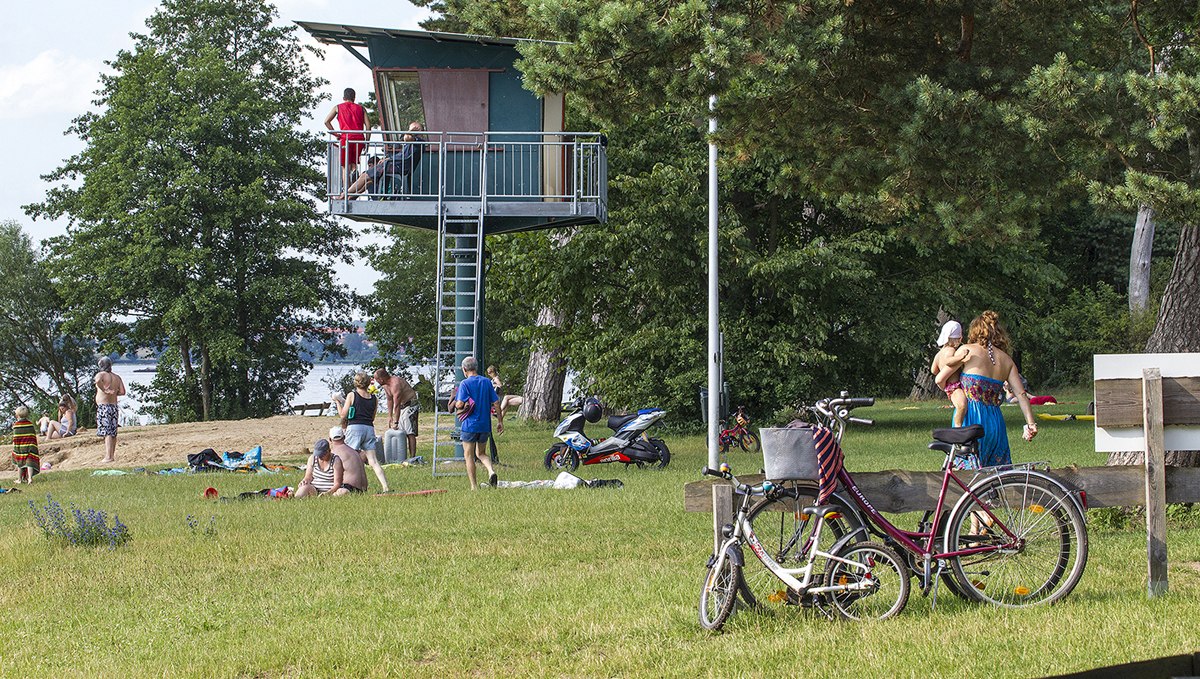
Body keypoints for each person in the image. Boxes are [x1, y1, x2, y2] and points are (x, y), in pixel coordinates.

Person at [950, 311, 1038, 467]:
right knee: (995, 477)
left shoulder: (966, 351)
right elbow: (1021, 394)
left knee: (965, 475)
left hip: (971, 418)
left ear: (975, 331)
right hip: (995, 422)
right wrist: (1031, 424)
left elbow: (945, 374)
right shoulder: (1007, 360)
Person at [451, 356, 503, 490]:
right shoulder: (487, 382)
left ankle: (474, 486)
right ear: (476, 368)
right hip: (485, 424)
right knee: (481, 453)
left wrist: (456, 403)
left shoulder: (464, 384)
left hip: (469, 425)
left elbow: (461, 403)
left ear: (464, 369)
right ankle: (491, 471)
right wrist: (500, 421)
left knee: (468, 455)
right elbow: (496, 402)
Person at [340, 121, 424, 198]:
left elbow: (407, 138)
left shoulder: (418, 141)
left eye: (411, 129)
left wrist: (388, 160)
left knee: (365, 175)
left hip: (396, 166)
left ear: (417, 130)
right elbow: (403, 153)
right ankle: (351, 197)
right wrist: (388, 158)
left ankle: (344, 194)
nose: (408, 130)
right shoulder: (415, 143)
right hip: (397, 165)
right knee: (370, 181)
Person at [338, 371, 389, 493]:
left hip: (355, 428)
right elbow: (372, 417)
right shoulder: (374, 398)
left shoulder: (352, 395)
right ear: (368, 383)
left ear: (356, 383)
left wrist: (337, 402)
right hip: (369, 429)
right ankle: (385, 487)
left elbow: (342, 415)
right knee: (373, 461)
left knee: (348, 458)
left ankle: (347, 484)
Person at [324, 87, 369, 193]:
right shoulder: (361, 108)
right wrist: (367, 141)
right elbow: (368, 126)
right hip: (359, 138)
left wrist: (336, 134)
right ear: (354, 97)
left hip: (345, 138)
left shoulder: (337, 108)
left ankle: (347, 191)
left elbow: (326, 121)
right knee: (354, 163)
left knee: (345, 166)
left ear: (344, 97)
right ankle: (355, 175)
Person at [931, 320, 969, 427]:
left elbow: (933, 370)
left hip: (948, 386)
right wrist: (961, 357)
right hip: (954, 386)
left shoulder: (938, 354)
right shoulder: (950, 351)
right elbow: (949, 361)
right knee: (962, 405)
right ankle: (958, 426)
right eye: (958, 339)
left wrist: (941, 368)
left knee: (960, 405)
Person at [374, 367, 418, 458]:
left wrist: (396, 422)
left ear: (381, 379)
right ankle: (401, 457)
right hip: (402, 406)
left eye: (376, 379)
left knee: (410, 432)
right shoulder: (385, 385)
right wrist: (390, 416)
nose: (376, 382)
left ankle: (413, 457)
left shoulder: (395, 384)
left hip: (410, 405)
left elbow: (396, 405)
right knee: (401, 432)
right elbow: (389, 400)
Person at [94, 356, 126, 463]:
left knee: (107, 432)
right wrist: (113, 392)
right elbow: (122, 392)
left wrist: (105, 390)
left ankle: (108, 456)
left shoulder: (101, 375)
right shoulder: (117, 377)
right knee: (113, 432)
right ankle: (112, 455)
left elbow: (97, 380)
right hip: (113, 406)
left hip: (104, 406)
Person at [327, 426, 367, 493]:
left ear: (330, 439)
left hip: (349, 488)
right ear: (344, 437)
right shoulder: (354, 452)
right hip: (362, 489)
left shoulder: (335, 454)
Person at [11, 406, 40, 484]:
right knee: (29, 463)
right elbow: (32, 436)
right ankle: (30, 478)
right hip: (30, 447)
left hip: (20, 448)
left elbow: (16, 438)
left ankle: (19, 479)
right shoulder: (30, 424)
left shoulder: (16, 425)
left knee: (20, 463)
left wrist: (16, 447)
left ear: (17, 415)